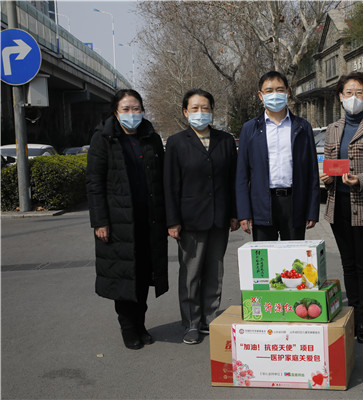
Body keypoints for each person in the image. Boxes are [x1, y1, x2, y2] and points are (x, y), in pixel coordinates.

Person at [86, 89, 168, 350]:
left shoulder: (151, 138)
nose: (132, 114)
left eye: (136, 108)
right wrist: (100, 221)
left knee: (144, 275)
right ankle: (128, 327)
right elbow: (94, 183)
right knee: (124, 277)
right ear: (115, 111)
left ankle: (141, 323)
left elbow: (161, 179)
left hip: (148, 220)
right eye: (126, 109)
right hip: (119, 221)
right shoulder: (104, 139)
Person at [164, 89, 239, 345]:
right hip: (189, 220)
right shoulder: (176, 142)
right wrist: (172, 220)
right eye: (194, 108)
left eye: (205, 107)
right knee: (191, 273)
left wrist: (234, 214)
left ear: (212, 111)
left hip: (219, 217)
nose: (200, 113)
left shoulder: (225, 140)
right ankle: (191, 323)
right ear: (185, 112)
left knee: (214, 271)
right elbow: (170, 185)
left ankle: (209, 318)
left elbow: (233, 180)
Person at [320, 72, 363, 344]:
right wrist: (325, 176)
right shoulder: (333, 128)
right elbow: (327, 160)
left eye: (360, 92)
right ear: (340, 96)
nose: (354, 98)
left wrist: (361, 179)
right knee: (348, 264)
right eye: (348, 92)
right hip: (339, 204)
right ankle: (353, 309)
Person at [236, 71, 320, 241]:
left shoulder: (302, 127)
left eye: (280, 89)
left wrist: (312, 210)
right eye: (269, 90)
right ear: (260, 95)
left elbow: (312, 173)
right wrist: (244, 213)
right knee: (265, 262)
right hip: (262, 204)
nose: (275, 94)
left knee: (295, 262)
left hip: (294, 202)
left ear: (288, 92)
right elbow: (242, 175)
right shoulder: (250, 129)